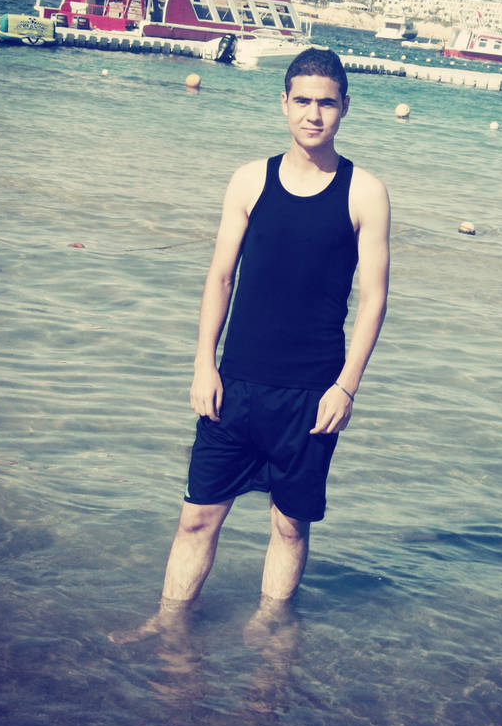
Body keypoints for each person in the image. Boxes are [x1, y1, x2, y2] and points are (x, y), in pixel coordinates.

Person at [111, 48, 390, 642]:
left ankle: (269, 633)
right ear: (283, 103)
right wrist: (203, 365)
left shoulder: (365, 192)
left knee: (289, 527)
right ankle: (168, 626)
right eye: (302, 101)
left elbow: (373, 300)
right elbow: (220, 277)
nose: (313, 114)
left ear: (345, 108)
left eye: (326, 103)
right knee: (196, 518)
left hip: (312, 393)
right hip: (234, 383)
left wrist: (346, 388)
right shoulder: (249, 180)